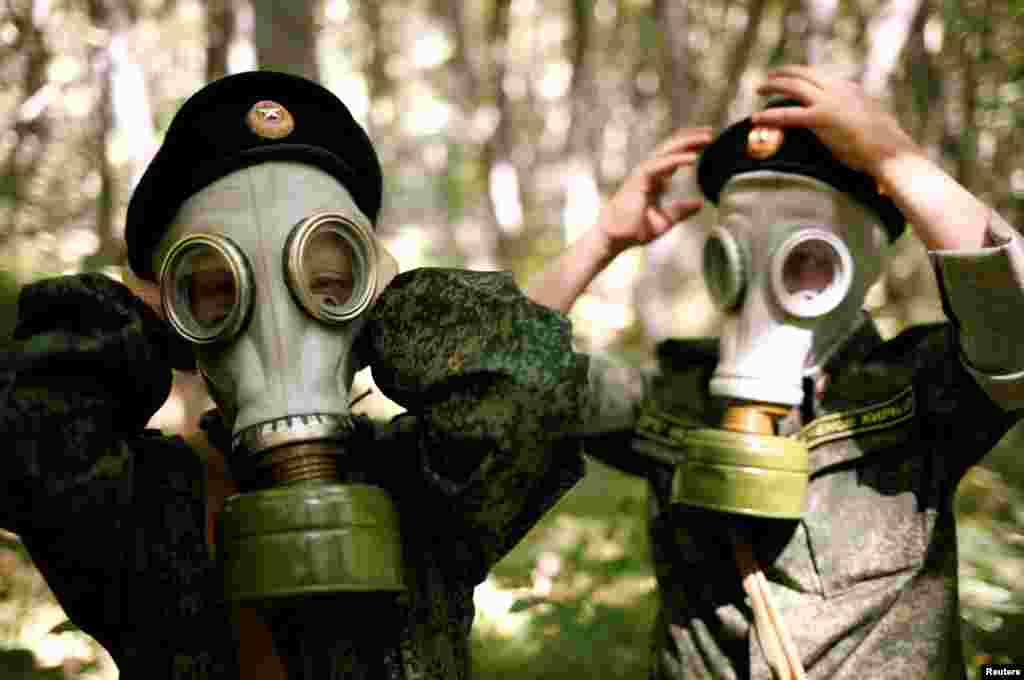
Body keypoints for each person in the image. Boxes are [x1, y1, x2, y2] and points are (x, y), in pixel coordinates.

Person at [0, 70, 594, 680]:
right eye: (218, 291)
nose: (278, 324)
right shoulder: (147, 515)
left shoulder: (423, 491)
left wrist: (394, 307)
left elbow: (536, 389)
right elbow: (24, 443)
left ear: (366, 290)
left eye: (331, 284)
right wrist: (139, 321)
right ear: (179, 313)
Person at [527, 65, 1024, 679]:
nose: (766, 279)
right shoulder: (673, 399)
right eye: (739, 251)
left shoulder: (918, 393)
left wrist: (899, 162)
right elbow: (502, 376)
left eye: (806, 257)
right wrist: (602, 239)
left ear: (861, 264)